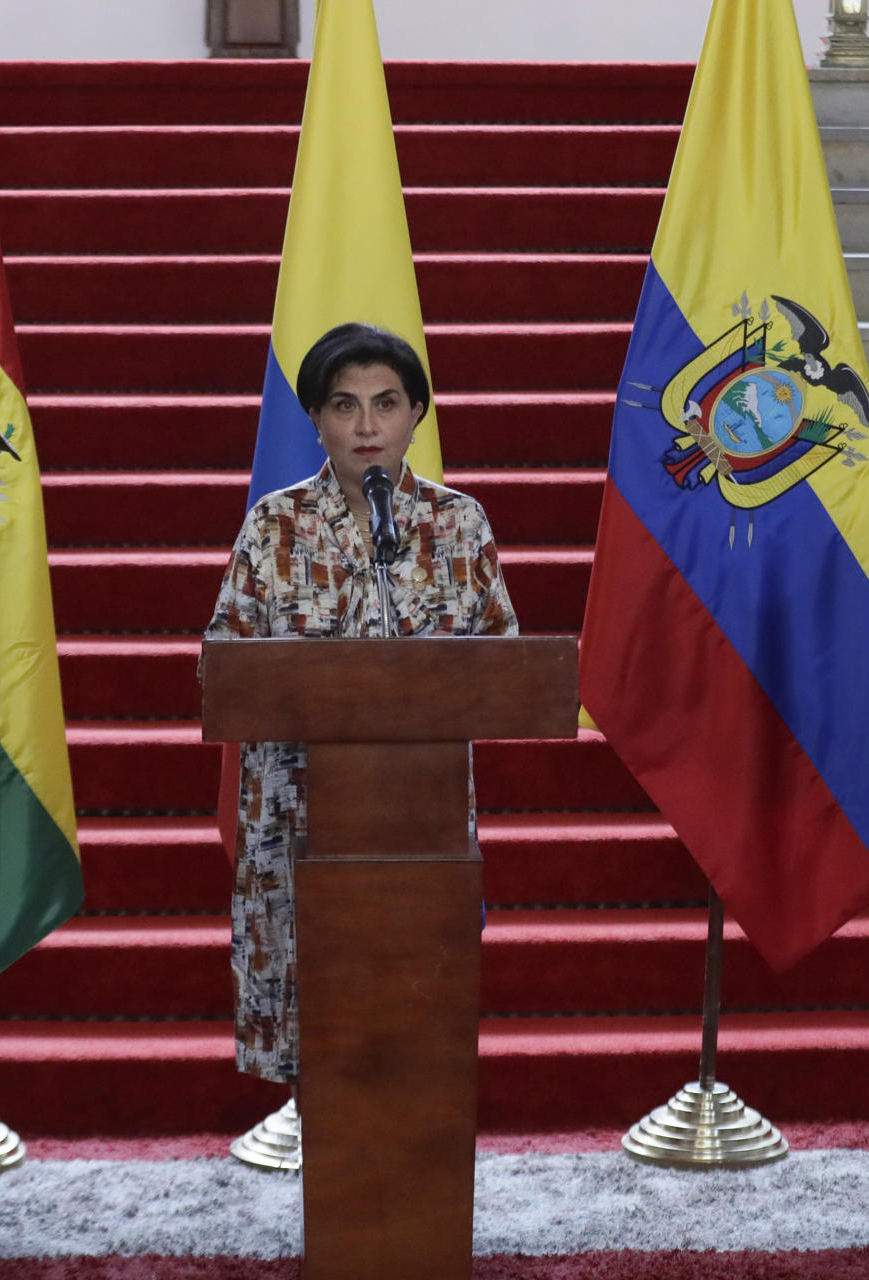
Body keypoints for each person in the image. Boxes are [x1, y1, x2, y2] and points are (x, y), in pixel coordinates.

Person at [204, 322, 517, 1158]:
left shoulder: (459, 525)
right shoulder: (274, 527)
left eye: (386, 404)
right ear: (316, 421)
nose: (367, 425)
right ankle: (321, 1125)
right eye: (345, 406)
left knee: (415, 1003)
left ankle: (408, 1140)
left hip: (420, 818)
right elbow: (226, 664)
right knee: (315, 995)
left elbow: (505, 661)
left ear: (417, 413)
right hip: (298, 814)